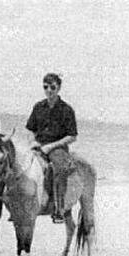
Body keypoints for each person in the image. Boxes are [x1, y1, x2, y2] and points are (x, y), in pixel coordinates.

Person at [25, 73, 78, 223]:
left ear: (59, 88)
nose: (49, 90)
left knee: (59, 169)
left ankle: (59, 208)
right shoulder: (38, 107)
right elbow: (30, 129)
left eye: (52, 87)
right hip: (39, 145)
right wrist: (32, 142)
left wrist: (51, 146)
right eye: (45, 87)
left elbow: (72, 136)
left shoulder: (66, 109)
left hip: (57, 147)